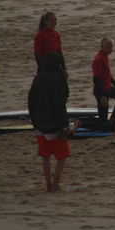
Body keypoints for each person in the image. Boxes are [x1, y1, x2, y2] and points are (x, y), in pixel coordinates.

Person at [28, 51, 71, 192]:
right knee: (62, 156)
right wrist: (64, 124)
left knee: (45, 156)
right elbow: (59, 104)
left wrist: (34, 121)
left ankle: (48, 184)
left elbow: (30, 100)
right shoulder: (57, 78)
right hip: (53, 123)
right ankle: (56, 184)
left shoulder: (38, 77)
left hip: (39, 123)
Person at [91, 37, 115, 124]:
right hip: (101, 91)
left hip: (108, 89)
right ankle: (80, 123)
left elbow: (108, 75)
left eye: (111, 46)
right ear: (102, 46)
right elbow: (96, 79)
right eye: (108, 46)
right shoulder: (99, 59)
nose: (110, 48)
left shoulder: (105, 56)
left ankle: (112, 118)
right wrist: (102, 96)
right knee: (103, 120)